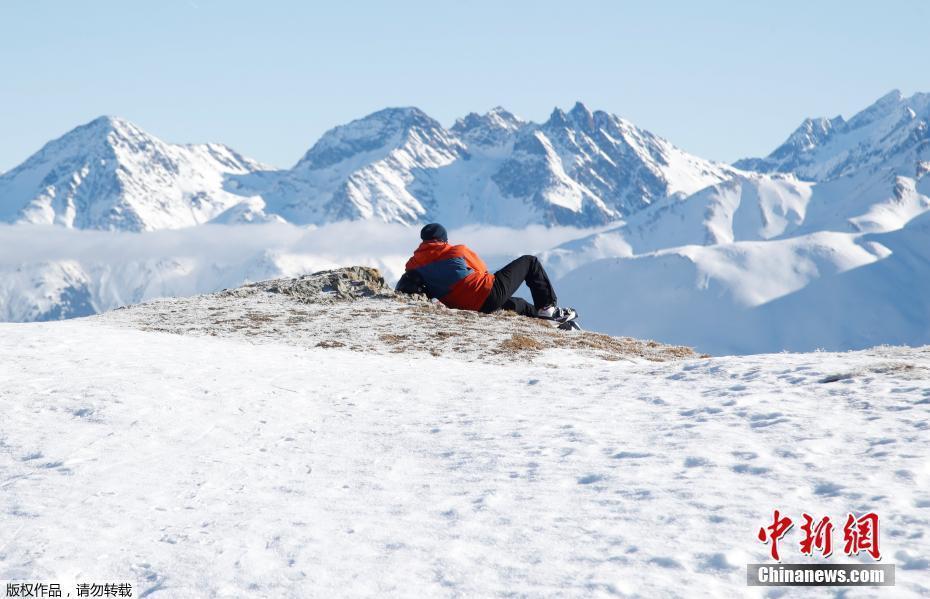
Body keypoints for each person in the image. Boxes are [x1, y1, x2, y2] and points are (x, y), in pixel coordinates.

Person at [397, 223, 577, 323]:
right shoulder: (456, 251)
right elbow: (481, 269)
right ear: (443, 239)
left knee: (519, 304)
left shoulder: (412, 264)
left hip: (465, 306)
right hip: (487, 293)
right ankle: (547, 308)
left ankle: (546, 321)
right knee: (530, 262)